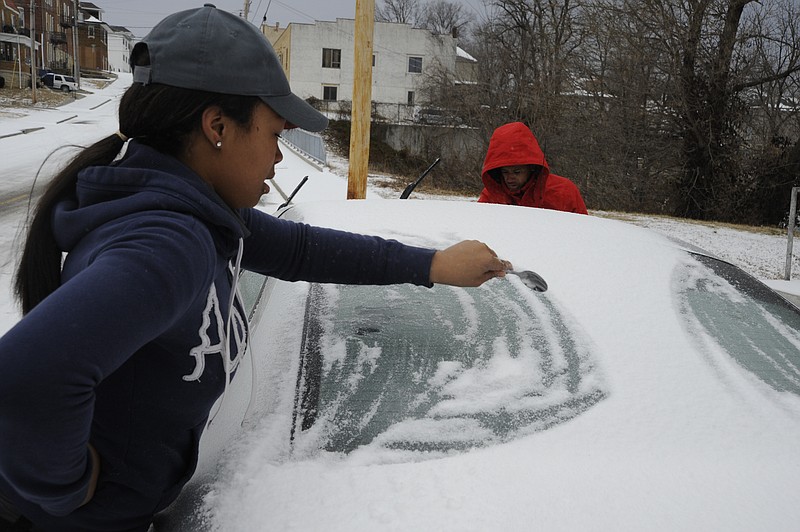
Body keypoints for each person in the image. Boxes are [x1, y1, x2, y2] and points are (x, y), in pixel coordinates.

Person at [0, 6, 510, 531]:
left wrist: (431, 264)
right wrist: (68, 491)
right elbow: (25, 377)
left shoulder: (201, 215)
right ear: (218, 126)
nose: (279, 158)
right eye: (274, 134)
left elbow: (302, 251)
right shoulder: (169, 242)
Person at [478, 122, 588, 214]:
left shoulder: (563, 192)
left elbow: (583, 232)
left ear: (531, 167)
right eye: (505, 172)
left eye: (517, 172)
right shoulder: (492, 195)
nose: (510, 178)